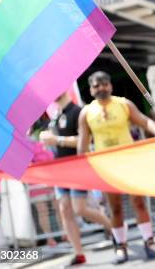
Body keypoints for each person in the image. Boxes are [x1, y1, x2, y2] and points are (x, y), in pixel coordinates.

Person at [77, 71, 155, 264]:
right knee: (115, 208)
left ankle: (149, 243)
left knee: (139, 203)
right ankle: (121, 247)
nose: (101, 88)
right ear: (91, 89)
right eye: (96, 85)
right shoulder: (86, 113)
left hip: (129, 162)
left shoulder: (124, 104)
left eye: (104, 84)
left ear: (110, 86)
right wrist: (80, 167)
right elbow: (83, 144)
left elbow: (145, 121)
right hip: (107, 166)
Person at [40, 91, 113, 266]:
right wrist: (47, 137)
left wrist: (57, 140)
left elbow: (85, 140)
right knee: (65, 210)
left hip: (76, 167)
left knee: (79, 209)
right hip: (60, 169)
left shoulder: (78, 111)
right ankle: (78, 253)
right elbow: (53, 138)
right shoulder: (56, 114)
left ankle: (114, 228)